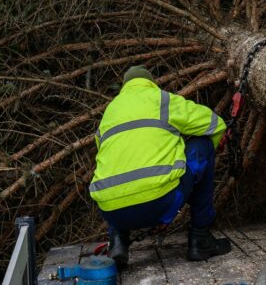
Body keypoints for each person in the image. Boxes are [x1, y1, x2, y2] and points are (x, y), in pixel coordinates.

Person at [90, 65, 231, 267]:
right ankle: (200, 238)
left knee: (116, 169)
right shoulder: (161, 100)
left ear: (125, 87)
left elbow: (108, 158)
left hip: (111, 212)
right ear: (150, 83)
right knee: (203, 146)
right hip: (159, 202)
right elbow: (214, 124)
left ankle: (118, 241)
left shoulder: (110, 112)